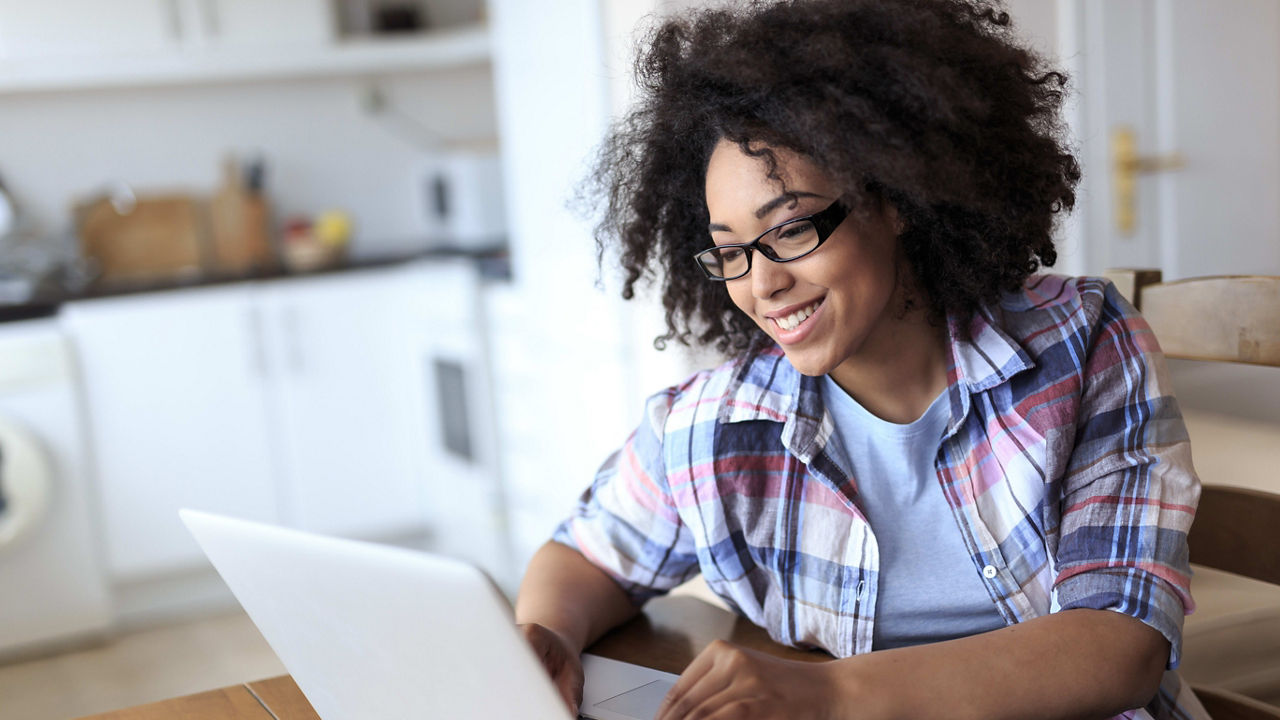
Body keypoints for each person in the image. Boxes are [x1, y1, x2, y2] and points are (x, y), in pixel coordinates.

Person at [515, 1, 1207, 718]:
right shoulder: (715, 424)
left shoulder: (1081, 344)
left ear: (896, 196)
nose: (761, 282)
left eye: (790, 229)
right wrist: (547, 636)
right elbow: (587, 556)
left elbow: (1121, 645)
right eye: (729, 250)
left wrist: (827, 694)